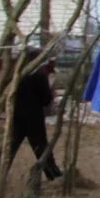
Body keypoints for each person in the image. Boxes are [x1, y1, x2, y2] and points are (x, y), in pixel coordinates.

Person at [10, 51, 63, 180]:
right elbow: (46, 99)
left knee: (11, 145)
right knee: (40, 145)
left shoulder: (17, 74)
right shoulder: (39, 76)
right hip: (34, 116)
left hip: (17, 114)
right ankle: (52, 173)